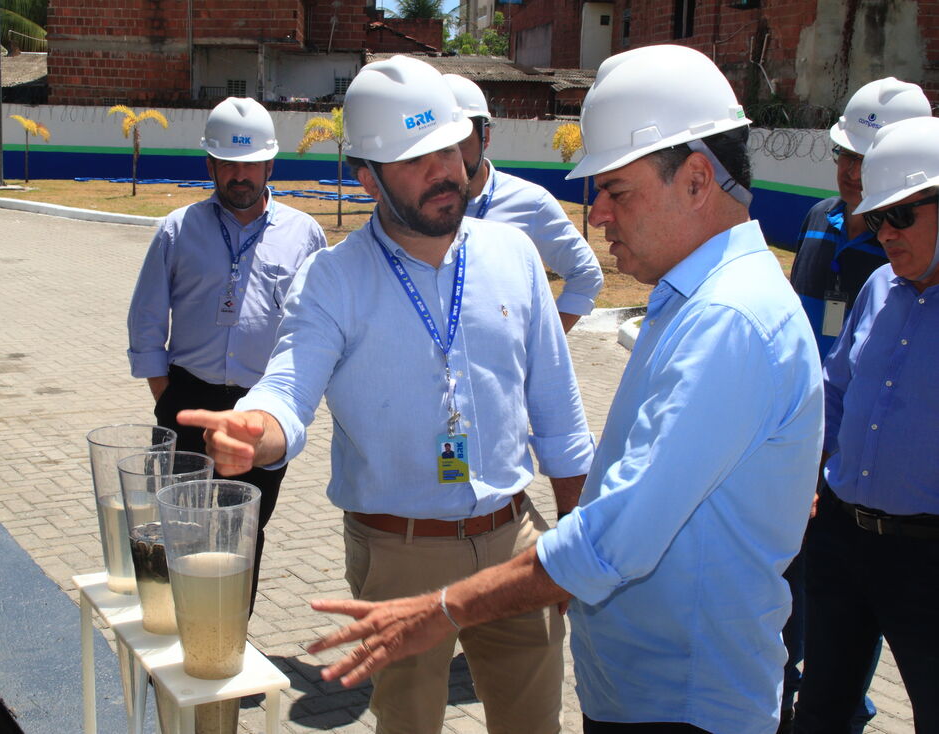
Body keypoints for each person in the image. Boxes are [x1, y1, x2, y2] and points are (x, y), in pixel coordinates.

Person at [308, 44, 823, 734]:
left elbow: (615, 541)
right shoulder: (696, 302)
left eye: (617, 190)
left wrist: (442, 609)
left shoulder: (727, 322)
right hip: (652, 694)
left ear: (698, 179)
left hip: (682, 706)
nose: (599, 214)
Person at [179, 55, 594, 734]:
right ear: (366, 176)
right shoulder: (333, 279)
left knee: (534, 725)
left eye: (449, 148)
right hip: (400, 555)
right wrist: (258, 427)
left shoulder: (514, 255)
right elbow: (289, 385)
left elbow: (560, 417)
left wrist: (572, 539)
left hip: (516, 540)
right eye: (414, 159)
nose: (443, 171)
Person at [126, 96, 327, 608]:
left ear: (270, 164)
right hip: (186, 401)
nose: (240, 176)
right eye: (228, 164)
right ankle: (175, 648)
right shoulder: (177, 229)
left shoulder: (305, 236)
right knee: (181, 532)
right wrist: (166, 397)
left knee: (244, 538)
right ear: (210, 165)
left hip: (263, 409)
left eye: (251, 163)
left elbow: (320, 327)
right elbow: (147, 320)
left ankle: (228, 648)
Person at [779, 77, 931, 732]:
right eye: (877, 214)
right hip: (841, 538)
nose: (881, 229)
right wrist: (808, 474)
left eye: (900, 215)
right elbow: (837, 393)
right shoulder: (878, 289)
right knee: (822, 709)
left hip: (925, 558)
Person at [443, 73, 603, 331]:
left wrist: (544, 343)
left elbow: (586, 275)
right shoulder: (413, 207)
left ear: (486, 136)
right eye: (438, 145)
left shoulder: (530, 203)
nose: (448, 158)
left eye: (460, 142)